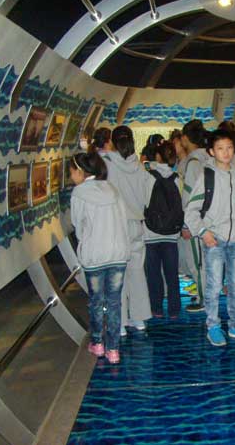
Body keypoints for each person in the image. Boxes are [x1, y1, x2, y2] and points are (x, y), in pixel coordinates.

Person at [184, 129, 235, 346]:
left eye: (229, 148)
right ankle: (213, 326)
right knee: (214, 285)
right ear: (211, 151)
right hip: (214, 240)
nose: (226, 152)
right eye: (220, 148)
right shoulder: (206, 176)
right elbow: (191, 210)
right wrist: (203, 232)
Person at [70, 152, 131, 364]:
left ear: (80, 171)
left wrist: (85, 241)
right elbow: (123, 219)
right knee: (114, 302)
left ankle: (97, 343)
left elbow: (78, 225)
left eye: (71, 172)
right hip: (117, 253)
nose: (71, 176)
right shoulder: (112, 189)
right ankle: (113, 349)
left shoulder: (79, 193)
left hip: (94, 254)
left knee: (97, 300)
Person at [103, 126, 153, 334]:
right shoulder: (140, 168)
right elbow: (147, 199)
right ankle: (139, 318)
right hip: (136, 226)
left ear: (112, 142)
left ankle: (120, 322)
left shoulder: (107, 165)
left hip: (115, 226)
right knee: (137, 273)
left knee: (117, 275)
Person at [144, 140, 182, 319]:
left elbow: (144, 202)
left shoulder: (148, 176)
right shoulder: (177, 178)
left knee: (153, 274)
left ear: (157, 156)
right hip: (172, 234)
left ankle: (156, 308)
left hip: (151, 232)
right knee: (172, 274)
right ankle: (174, 310)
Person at [180, 120, 211, 312]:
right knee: (207, 261)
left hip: (196, 220)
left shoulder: (193, 163)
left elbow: (189, 197)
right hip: (210, 217)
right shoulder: (208, 158)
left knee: (197, 262)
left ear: (185, 138)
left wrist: (187, 224)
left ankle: (203, 299)